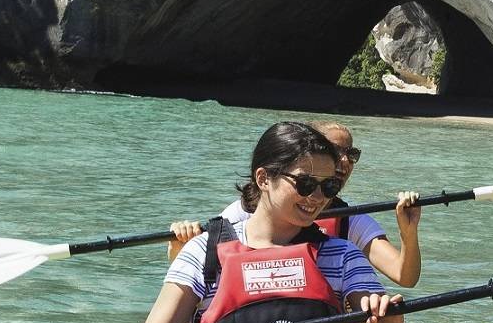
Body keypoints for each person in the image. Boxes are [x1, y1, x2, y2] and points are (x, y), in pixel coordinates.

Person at [79, 121, 419, 323]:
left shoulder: (343, 256)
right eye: (304, 184)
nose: (317, 197)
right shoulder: (204, 252)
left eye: (328, 187)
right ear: (264, 178)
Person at [166, 119, 422, 287]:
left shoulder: (351, 220)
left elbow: (404, 277)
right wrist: (179, 249)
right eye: (334, 151)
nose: (343, 162)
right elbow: (208, 271)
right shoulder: (240, 215)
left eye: (351, 154)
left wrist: (408, 234)